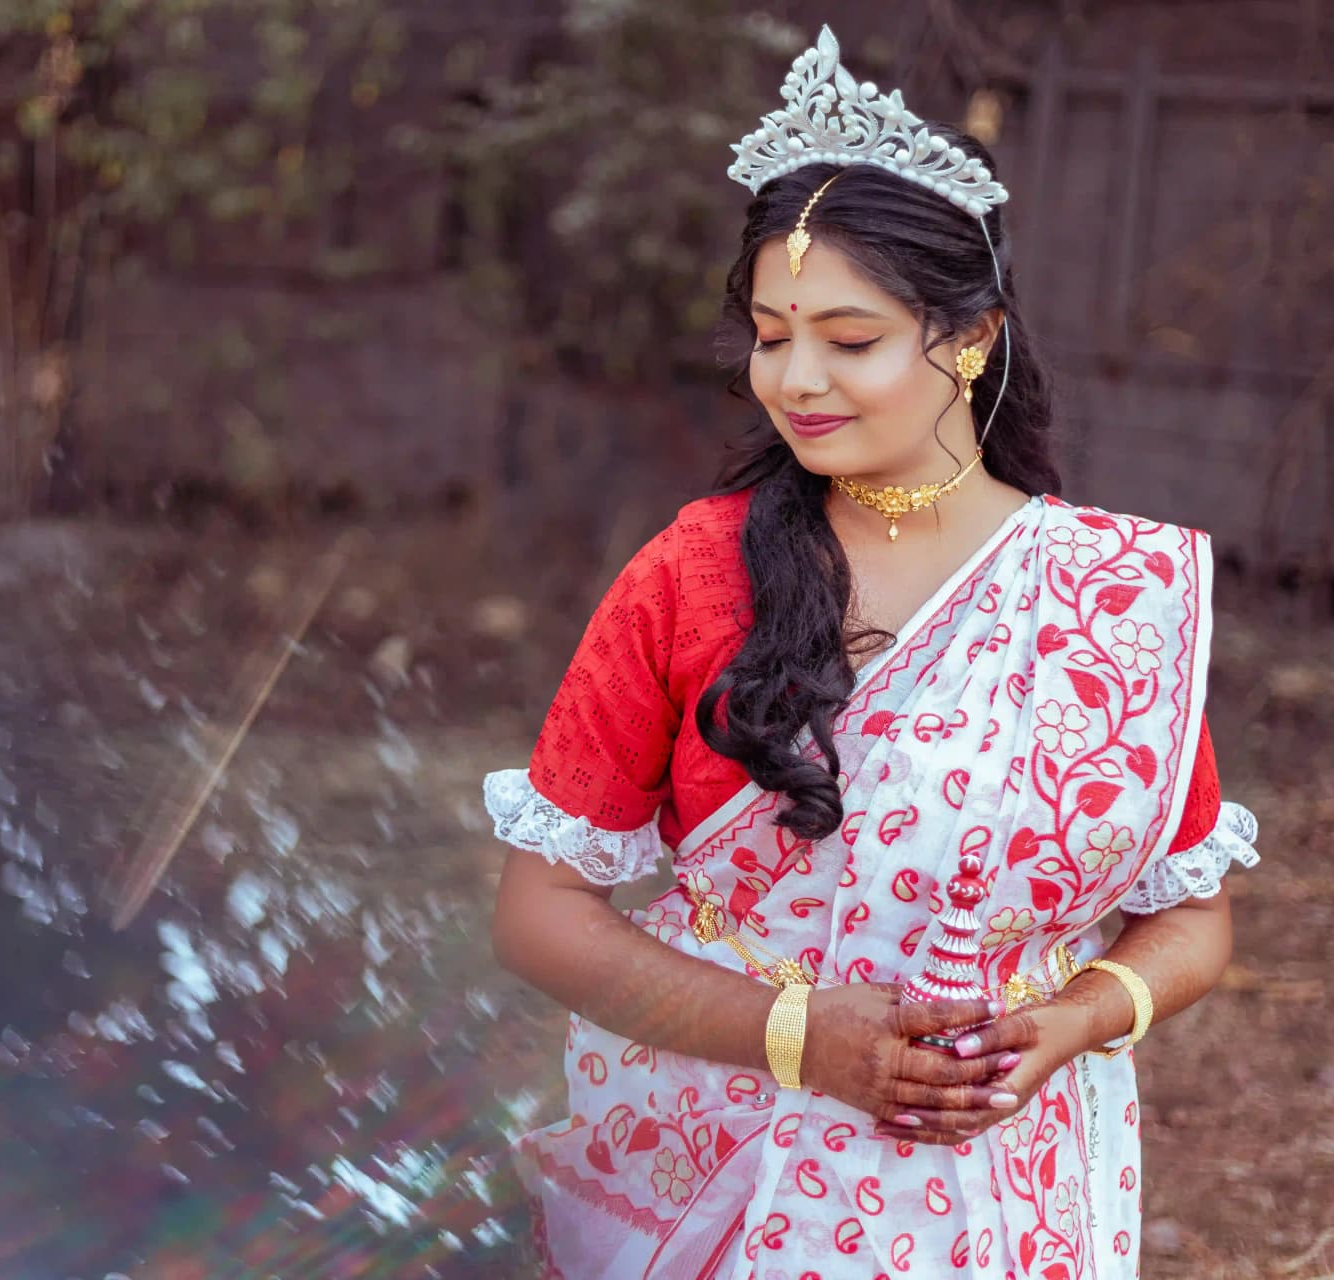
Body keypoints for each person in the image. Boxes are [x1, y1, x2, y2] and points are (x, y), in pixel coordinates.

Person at [484, 25, 1262, 1280]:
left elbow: (1192, 918)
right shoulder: (695, 572)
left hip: (1017, 1187)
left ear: (967, 338)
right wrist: (796, 1033)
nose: (793, 378)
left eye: (849, 340)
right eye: (769, 332)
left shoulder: (1109, 594)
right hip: (724, 1169)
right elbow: (539, 912)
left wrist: (1075, 1018)